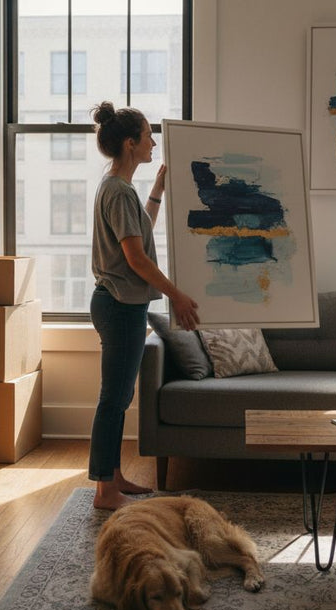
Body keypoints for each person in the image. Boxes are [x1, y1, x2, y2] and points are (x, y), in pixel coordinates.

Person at [88, 101, 200, 510]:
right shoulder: (117, 191)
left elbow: (141, 234)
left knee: (118, 397)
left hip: (122, 304)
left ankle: (113, 477)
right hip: (118, 305)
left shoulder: (122, 189)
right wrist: (178, 295)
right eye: (150, 135)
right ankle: (105, 491)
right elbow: (136, 259)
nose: (155, 142)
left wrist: (157, 190)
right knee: (113, 399)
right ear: (131, 143)